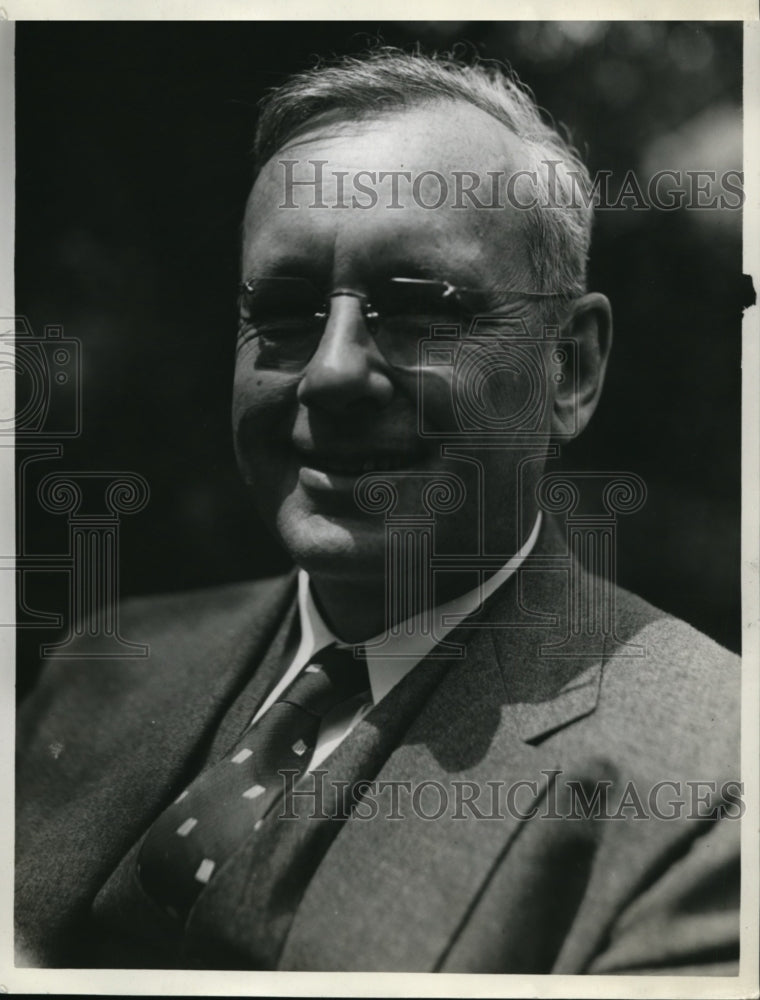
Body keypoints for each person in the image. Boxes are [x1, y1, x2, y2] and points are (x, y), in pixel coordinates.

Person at [16, 49, 740, 974]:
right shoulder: (106, 661)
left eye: (419, 309)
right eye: (284, 313)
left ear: (572, 367)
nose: (331, 373)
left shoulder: (713, 779)